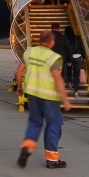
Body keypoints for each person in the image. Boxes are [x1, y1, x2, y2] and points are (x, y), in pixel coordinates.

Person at [15, 29, 73, 169]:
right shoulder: (53, 57)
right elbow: (57, 79)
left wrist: (19, 87)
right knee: (53, 125)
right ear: (52, 42)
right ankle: (52, 160)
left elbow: (18, 71)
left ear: (40, 40)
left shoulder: (29, 52)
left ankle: (27, 148)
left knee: (35, 123)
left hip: (33, 95)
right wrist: (65, 99)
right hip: (49, 97)